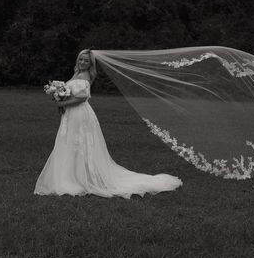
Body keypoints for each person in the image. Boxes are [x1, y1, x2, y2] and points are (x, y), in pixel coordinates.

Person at [34, 49, 183, 198]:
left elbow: (82, 97)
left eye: (87, 61)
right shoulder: (77, 73)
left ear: (91, 63)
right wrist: (61, 99)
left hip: (80, 113)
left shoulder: (86, 75)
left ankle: (80, 178)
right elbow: (71, 93)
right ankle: (71, 175)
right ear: (77, 60)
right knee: (70, 142)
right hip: (72, 113)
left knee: (79, 143)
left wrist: (62, 104)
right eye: (81, 59)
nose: (83, 62)